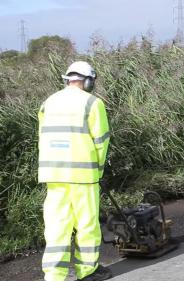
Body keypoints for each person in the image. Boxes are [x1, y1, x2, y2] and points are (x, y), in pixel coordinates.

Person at [38, 61, 112, 281]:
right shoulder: (92, 103)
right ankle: (87, 271)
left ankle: (53, 275)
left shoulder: (48, 103)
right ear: (88, 81)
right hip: (83, 176)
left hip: (53, 175)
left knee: (57, 226)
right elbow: (101, 141)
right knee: (86, 224)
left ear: (68, 79)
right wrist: (98, 171)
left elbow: (42, 137)